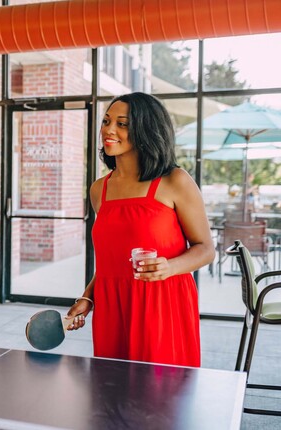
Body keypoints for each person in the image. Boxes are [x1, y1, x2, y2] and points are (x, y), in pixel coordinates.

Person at [66, 92, 214, 367]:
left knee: (161, 395)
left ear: (146, 130)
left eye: (123, 124)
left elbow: (205, 249)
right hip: (112, 307)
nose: (109, 130)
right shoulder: (100, 189)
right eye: (107, 121)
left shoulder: (174, 181)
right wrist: (88, 297)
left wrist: (168, 267)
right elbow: (111, 260)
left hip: (161, 305)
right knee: (113, 393)